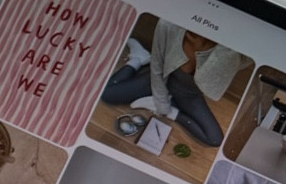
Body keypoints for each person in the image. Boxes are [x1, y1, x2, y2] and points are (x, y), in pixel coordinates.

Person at [101, 23, 242, 147]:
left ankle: (169, 106)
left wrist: (171, 113)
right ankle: (138, 59)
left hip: (188, 94)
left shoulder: (230, 53)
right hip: (160, 78)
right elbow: (157, 66)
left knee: (215, 139)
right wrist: (161, 101)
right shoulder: (168, 26)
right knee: (107, 94)